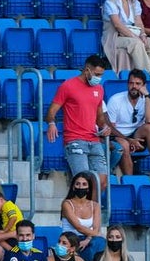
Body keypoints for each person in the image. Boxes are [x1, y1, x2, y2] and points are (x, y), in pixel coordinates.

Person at [46, 55, 111, 190]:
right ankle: (80, 209)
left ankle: (92, 209)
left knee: (102, 182)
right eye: (97, 74)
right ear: (87, 70)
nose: (99, 78)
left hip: (94, 139)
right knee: (83, 181)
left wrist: (104, 127)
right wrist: (52, 123)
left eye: (101, 75)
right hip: (75, 140)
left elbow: (99, 116)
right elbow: (52, 110)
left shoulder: (99, 89)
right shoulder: (68, 86)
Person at [102, 0, 150, 73]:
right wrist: (135, 37)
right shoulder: (110, 2)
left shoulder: (134, 2)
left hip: (132, 36)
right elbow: (117, 25)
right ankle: (147, 73)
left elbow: (138, 22)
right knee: (136, 43)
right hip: (114, 37)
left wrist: (143, 35)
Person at [59, 171, 106, 261]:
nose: (81, 187)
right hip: (71, 237)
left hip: (89, 239)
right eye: (78, 184)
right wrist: (97, 234)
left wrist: (88, 239)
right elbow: (78, 227)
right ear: (73, 187)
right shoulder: (67, 204)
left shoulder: (95, 206)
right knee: (96, 242)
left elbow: (96, 228)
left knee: (99, 242)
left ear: (88, 188)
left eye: (84, 184)